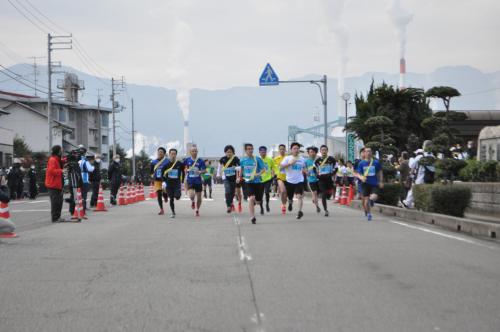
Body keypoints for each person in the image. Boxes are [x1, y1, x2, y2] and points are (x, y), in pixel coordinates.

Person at [402, 141, 436, 208]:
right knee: (426, 192)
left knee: (414, 189)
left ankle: (408, 203)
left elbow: (411, 165)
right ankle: (424, 205)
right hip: (430, 177)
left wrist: (411, 158)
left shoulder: (420, 156)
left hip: (420, 177)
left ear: (424, 147)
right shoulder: (433, 157)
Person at [240, 143, 265, 224]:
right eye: (248, 149)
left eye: (251, 148)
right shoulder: (242, 160)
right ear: (245, 150)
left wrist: (258, 174)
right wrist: (239, 177)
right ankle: (252, 217)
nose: (250, 150)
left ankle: (255, 202)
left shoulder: (257, 159)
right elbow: (241, 170)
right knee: (251, 198)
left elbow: (264, 169)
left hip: (257, 182)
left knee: (258, 201)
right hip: (248, 182)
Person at [280, 142, 307, 219]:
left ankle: (299, 212)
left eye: (298, 148)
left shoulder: (302, 159)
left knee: (299, 196)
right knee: (290, 197)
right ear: (291, 150)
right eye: (294, 148)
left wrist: (306, 171)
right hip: (289, 181)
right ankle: (290, 202)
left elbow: (304, 168)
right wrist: (289, 164)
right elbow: (281, 167)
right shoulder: (287, 158)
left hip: (299, 180)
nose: (296, 150)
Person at [356, 147, 383, 221]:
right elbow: (358, 173)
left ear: (371, 153)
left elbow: (380, 172)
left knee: (374, 197)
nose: (368, 153)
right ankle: (369, 213)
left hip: (374, 183)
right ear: (364, 153)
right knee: (366, 200)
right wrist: (361, 177)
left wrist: (380, 181)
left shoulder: (376, 162)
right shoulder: (361, 163)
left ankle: (372, 201)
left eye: (369, 151)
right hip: (365, 184)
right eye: (367, 151)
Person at [184, 146, 207, 217]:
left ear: (197, 152)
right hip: (190, 180)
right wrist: (186, 170)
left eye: (195, 151)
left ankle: (197, 209)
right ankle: (193, 201)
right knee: (191, 195)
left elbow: (205, 170)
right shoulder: (187, 160)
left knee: (199, 198)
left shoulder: (200, 161)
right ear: (190, 152)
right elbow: (184, 168)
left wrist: (200, 172)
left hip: (198, 181)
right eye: (193, 151)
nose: (194, 152)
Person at [217, 145, 241, 214]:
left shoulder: (236, 159)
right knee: (227, 190)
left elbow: (240, 167)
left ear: (233, 152)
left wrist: (235, 168)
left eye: (230, 152)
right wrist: (218, 175)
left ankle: (231, 203)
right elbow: (219, 167)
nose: (229, 153)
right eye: (227, 152)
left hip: (234, 178)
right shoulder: (222, 159)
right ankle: (228, 206)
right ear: (225, 152)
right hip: (226, 177)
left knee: (232, 192)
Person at [45, 145, 65, 223]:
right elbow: (51, 171)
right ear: (58, 151)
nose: (62, 152)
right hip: (53, 184)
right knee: (55, 202)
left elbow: (61, 162)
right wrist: (61, 171)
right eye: (61, 150)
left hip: (57, 184)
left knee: (59, 201)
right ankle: (55, 218)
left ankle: (58, 217)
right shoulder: (52, 160)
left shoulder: (57, 159)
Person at [315, 145, 336, 217]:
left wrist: (332, 174)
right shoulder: (317, 161)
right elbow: (314, 169)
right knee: (323, 194)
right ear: (320, 151)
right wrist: (317, 175)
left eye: (325, 150)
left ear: (327, 151)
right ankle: (326, 210)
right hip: (321, 179)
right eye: (322, 150)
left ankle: (329, 195)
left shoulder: (332, 159)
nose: (324, 151)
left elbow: (336, 168)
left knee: (328, 194)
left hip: (329, 179)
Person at [162, 148, 185, 218]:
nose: (173, 155)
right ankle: (173, 212)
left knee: (177, 197)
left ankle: (176, 195)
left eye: (174, 154)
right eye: (172, 154)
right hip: (169, 184)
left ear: (176, 155)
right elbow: (162, 174)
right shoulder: (166, 165)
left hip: (177, 183)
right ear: (169, 155)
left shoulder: (179, 164)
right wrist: (163, 181)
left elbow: (183, 172)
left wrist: (183, 182)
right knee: (171, 199)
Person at [151, 147, 170, 215]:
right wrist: (152, 176)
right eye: (159, 152)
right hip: (157, 180)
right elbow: (151, 171)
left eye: (161, 152)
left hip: (165, 180)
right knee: (159, 194)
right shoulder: (153, 162)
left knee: (165, 192)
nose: (160, 153)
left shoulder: (167, 161)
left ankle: (165, 196)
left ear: (164, 154)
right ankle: (161, 209)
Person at [258, 146, 275, 215]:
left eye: (264, 152)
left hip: (268, 178)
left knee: (267, 192)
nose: (263, 153)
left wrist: (273, 174)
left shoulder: (270, 159)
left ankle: (267, 204)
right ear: (259, 152)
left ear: (266, 152)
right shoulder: (257, 160)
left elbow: (273, 167)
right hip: (260, 179)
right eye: (262, 152)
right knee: (260, 195)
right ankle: (261, 208)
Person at [273, 144, 288, 214]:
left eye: (283, 149)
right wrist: (274, 173)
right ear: (279, 150)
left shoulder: (288, 158)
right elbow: (273, 168)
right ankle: (283, 205)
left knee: (286, 193)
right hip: (279, 177)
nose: (282, 150)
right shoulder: (276, 159)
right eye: (280, 149)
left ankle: (284, 202)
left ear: (285, 150)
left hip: (288, 178)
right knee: (282, 191)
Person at [305, 146, 321, 213]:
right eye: (311, 152)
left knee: (317, 194)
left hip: (319, 179)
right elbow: (304, 169)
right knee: (315, 192)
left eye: (314, 152)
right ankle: (317, 206)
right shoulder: (306, 161)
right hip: (311, 179)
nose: (312, 153)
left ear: (316, 153)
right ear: (308, 153)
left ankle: (314, 198)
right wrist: (306, 172)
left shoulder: (319, 160)